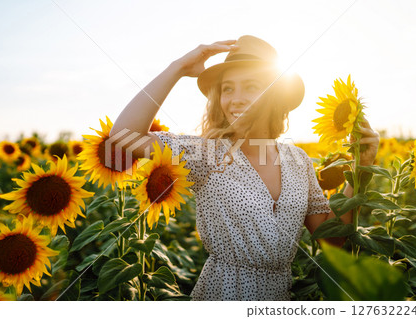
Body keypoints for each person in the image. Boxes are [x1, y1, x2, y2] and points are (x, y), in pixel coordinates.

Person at [109, 35, 380, 300]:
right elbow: (123, 134)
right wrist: (177, 68)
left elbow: (332, 240)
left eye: (251, 86)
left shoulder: (298, 161)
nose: (236, 99)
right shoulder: (205, 155)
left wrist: (361, 168)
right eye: (228, 88)